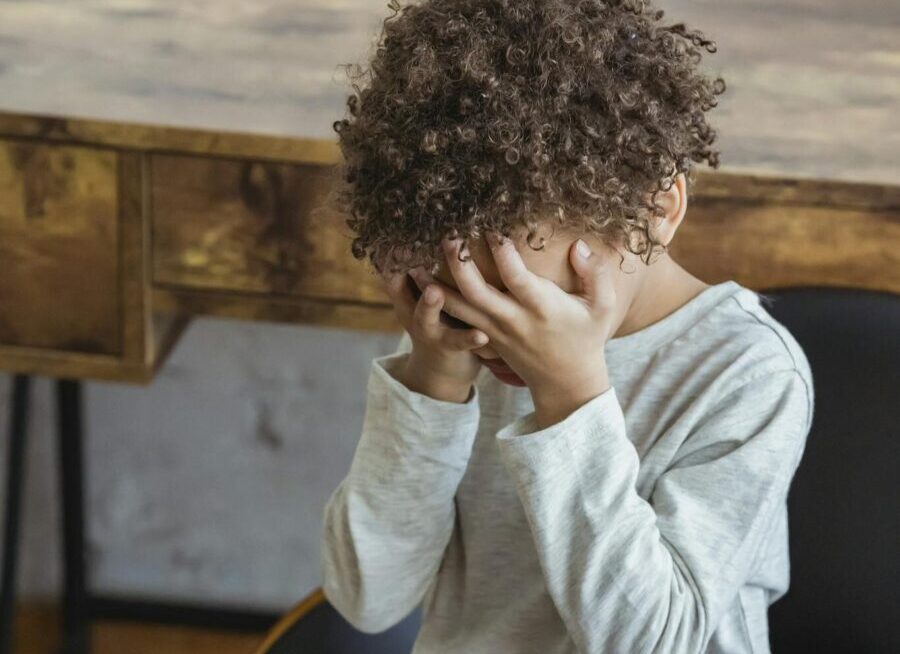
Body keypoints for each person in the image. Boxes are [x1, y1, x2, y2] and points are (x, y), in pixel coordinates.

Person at [319, 1, 814, 652]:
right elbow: (369, 597)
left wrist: (571, 397)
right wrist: (431, 383)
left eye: (526, 304)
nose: (496, 335)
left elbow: (652, 640)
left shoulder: (744, 374)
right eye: (463, 298)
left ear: (655, 209)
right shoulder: (462, 341)